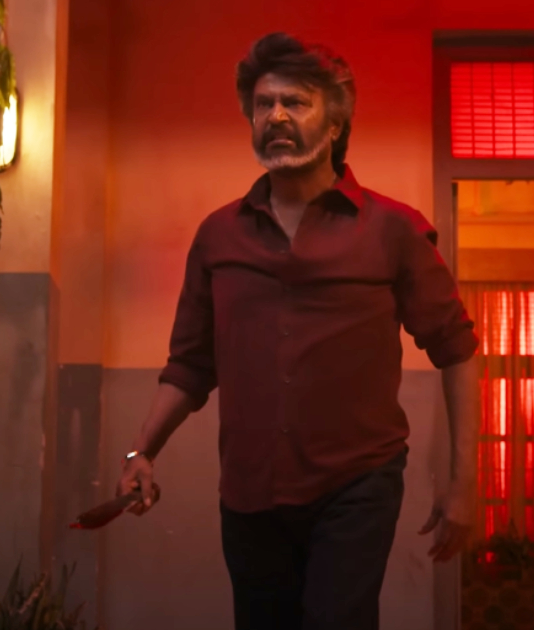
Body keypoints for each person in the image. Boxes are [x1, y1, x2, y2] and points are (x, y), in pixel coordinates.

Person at [115, 32, 481, 630]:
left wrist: (465, 484)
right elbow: (189, 365)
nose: (276, 116)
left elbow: (457, 350)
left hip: (357, 484)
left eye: (295, 102)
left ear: (335, 125)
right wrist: (142, 451)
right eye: (264, 104)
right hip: (249, 492)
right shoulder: (218, 236)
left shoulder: (394, 230)